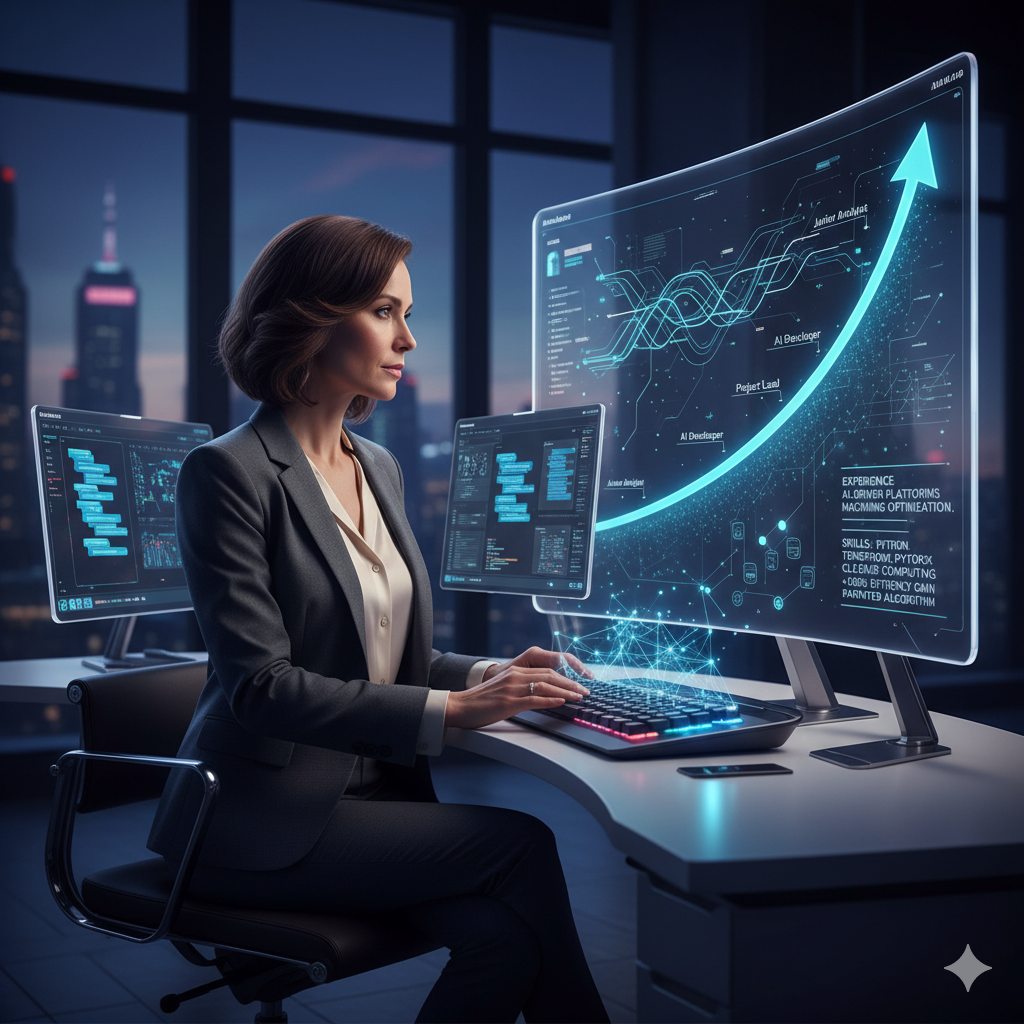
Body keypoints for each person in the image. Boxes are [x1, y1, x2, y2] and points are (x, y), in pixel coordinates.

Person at [147, 214, 609, 1024]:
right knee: (521, 845)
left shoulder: (380, 466)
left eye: (407, 314)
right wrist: (456, 711)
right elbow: (261, 687)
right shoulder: (226, 473)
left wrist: (484, 676)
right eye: (387, 312)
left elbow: (379, 652)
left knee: (505, 941)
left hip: (376, 804)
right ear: (311, 319)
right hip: (259, 822)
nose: (410, 339)